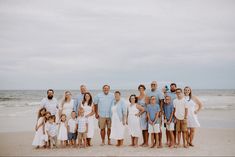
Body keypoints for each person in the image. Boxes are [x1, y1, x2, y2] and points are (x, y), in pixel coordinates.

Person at [146, 81, 164, 147]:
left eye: (154, 84)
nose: (153, 85)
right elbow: (147, 101)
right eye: (152, 84)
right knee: (152, 130)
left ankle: (160, 143)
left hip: (157, 111)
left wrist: (160, 112)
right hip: (151, 112)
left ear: (156, 85)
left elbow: (162, 101)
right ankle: (153, 143)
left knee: (158, 129)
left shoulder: (159, 92)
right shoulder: (148, 92)